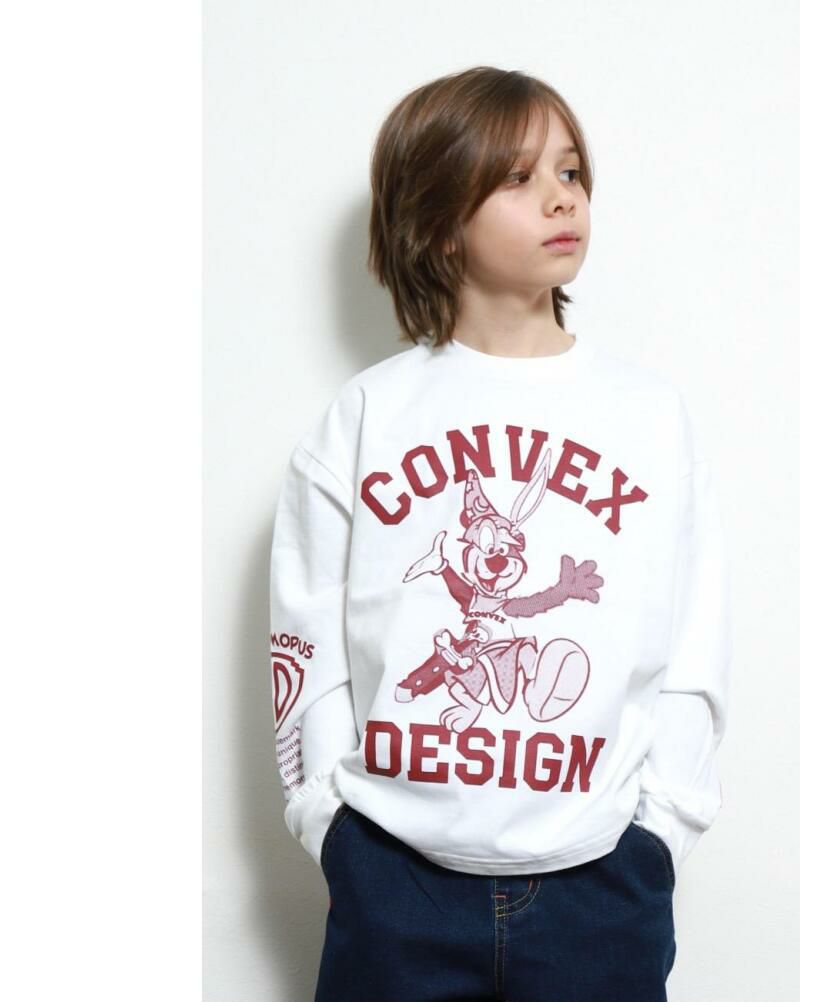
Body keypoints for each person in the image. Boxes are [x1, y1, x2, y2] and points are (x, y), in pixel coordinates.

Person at [269, 65, 732, 1002]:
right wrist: (331, 826)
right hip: (395, 882)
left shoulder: (648, 416)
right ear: (439, 222)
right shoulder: (367, 416)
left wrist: (662, 831)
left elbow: (694, 641)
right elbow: (306, 637)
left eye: (570, 170)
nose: (562, 197)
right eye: (517, 178)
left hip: (600, 885)